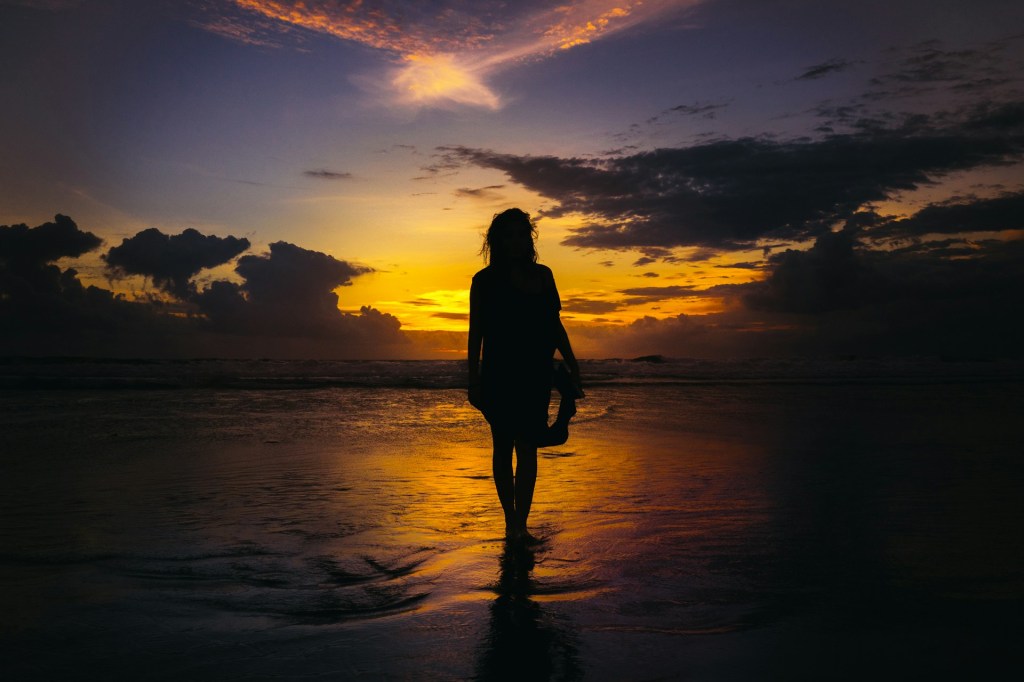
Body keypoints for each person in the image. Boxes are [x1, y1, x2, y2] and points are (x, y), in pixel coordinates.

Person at [468, 208, 582, 544]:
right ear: (497, 240)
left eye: (523, 235)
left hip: (535, 372)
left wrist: (573, 362)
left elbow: (553, 324)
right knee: (503, 446)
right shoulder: (484, 281)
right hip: (499, 372)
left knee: (528, 445)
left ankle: (522, 524)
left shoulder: (544, 276)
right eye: (510, 235)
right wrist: (472, 378)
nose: (517, 241)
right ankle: (510, 523)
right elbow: (477, 332)